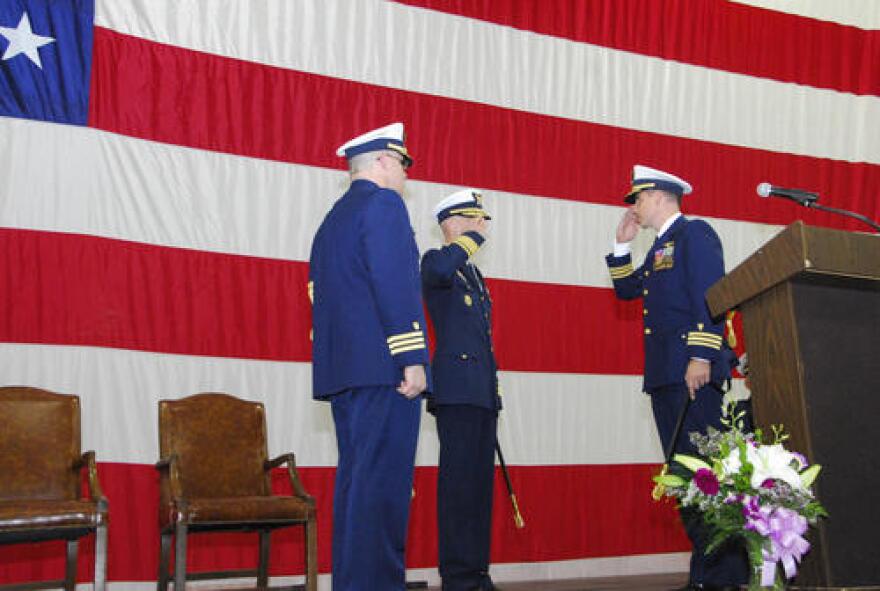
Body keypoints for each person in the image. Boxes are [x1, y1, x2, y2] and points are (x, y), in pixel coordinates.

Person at [605, 165, 748, 591]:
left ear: (661, 197)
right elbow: (628, 291)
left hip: (691, 371)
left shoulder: (694, 234)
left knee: (704, 472)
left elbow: (711, 296)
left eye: (638, 198)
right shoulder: (660, 247)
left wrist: (702, 355)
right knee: (685, 476)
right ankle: (707, 572)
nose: (634, 207)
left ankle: (725, 573)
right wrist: (620, 244)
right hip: (667, 372)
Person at [309, 122, 429, 590]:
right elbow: (394, 283)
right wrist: (412, 355)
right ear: (382, 161)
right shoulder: (384, 205)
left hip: (347, 371)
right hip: (385, 370)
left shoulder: (333, 218)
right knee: (382, 493)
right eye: (402, 163)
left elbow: (320, 294)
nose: (405, 174)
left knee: (357, 489)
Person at [421, 189, 501, 591]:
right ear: (451, 223)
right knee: (458, 488)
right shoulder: (438, 262)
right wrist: (468, 239)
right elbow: (437, 273)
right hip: (455, 392)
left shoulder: (472, 274)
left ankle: (477, 573)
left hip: (481, 394)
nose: (481, 226)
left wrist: (493, 391)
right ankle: (457, 577)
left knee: (479, 490)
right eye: (472, 219)